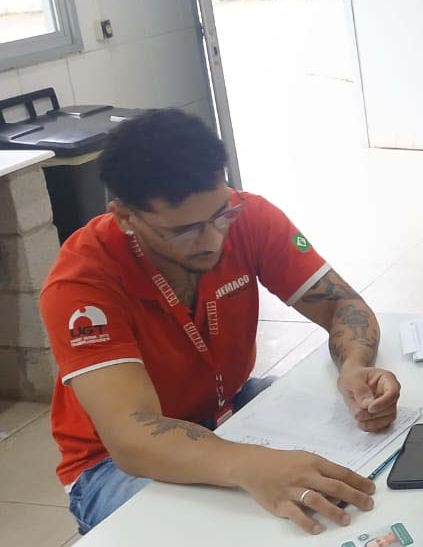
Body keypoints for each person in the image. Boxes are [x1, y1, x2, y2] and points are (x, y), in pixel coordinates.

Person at [39, 108, 402, 535]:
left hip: (227, 406)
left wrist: (355, 367)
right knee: (233, 533)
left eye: (220, 215)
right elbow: (131, 438)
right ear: (125, 217)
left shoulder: (248, 216)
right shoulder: (83, 282)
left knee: (369, 450)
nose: (212, 240)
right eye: (184, 231)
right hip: (111, 464)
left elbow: (343, 305)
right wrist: (249, 463)